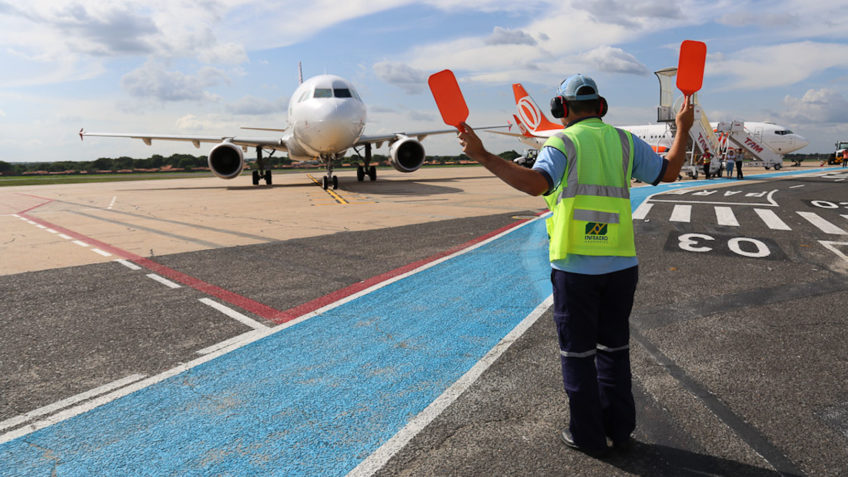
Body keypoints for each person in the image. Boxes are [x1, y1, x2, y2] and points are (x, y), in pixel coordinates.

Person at [457, 74, 695, 457]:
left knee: (578, 355)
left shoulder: (562, 141)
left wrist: (485, 156)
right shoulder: (624, 141)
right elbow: (668, 172)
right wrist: (683, 128)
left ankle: (587, 436)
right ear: (600, 107)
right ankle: (620, 432)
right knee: (614, 351)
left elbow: (537, 184)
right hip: (620, 264)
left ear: (561, 108)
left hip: (575, 268)